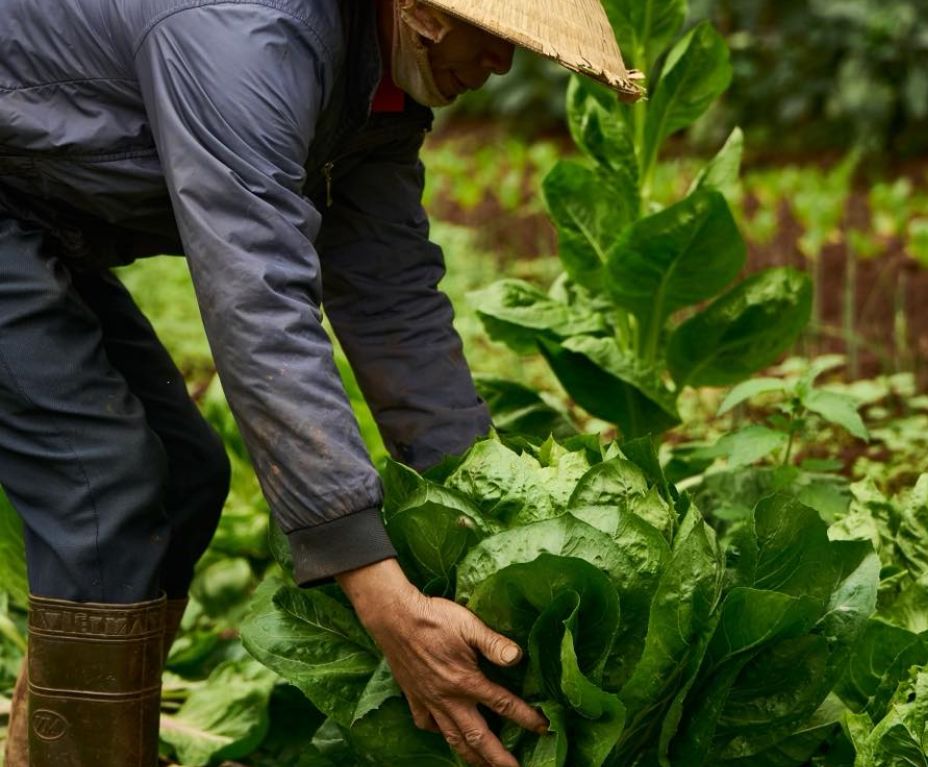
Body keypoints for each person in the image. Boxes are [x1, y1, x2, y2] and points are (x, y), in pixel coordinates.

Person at [0, 0, 639, 765]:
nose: (501, 65)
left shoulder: (371, 88)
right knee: (102, 484)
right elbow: (257, 301)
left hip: (31, 208)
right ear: (417, 8)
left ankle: (55, 750)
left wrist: (485, 520)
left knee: (179, 477)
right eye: (494, 37)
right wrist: (382, 596)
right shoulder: (251, 41)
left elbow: (392, 298)